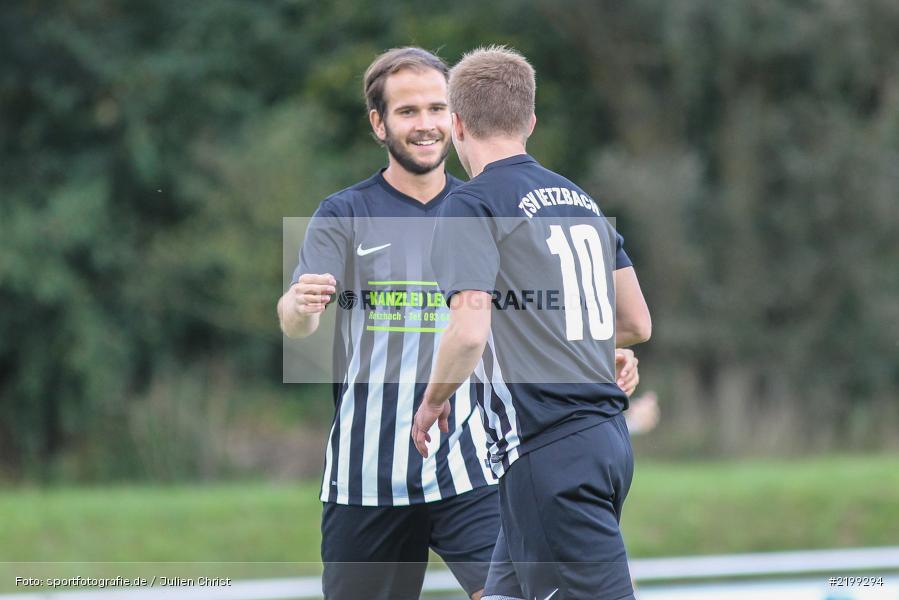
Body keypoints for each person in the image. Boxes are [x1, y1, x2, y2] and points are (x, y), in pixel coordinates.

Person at [278, 47, 642, 600]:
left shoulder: (489, 203)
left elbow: (548, 315)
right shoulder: (343, 213)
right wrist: (299, 307)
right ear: (379, 123)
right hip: (366, 474)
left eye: (435, 107)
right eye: (406, 111)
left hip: (477, 465)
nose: (425, 123)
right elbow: (295, 324)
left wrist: (588, 349)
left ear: (457, 118)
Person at [412, 46, 651, 600]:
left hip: (550, 453)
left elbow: (469, 330)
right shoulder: (581, 200)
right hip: (601, 445)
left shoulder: (470, 205)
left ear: (456, 123)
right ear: (531, 122)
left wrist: (433, 400)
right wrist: (584, 345)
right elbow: (636, 321)